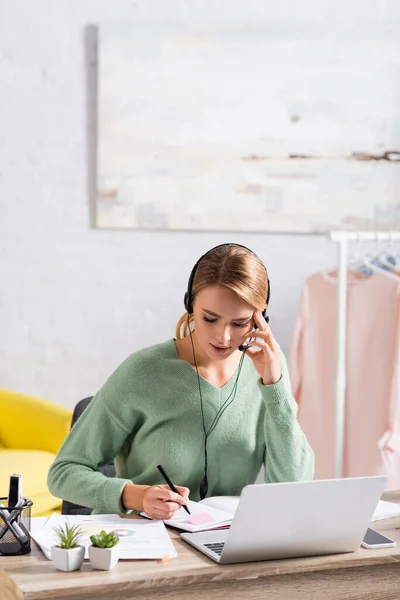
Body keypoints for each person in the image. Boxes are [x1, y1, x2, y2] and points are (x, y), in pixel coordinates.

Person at [48, 243, 314, 518]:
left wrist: (274, 386)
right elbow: (63, 472)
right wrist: (135, 496)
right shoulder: (143, 372)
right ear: (190, 305)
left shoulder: (268, 368)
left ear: (260, 319)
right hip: (143, 541)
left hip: (222, 545)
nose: (223, 337)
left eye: (239, 323)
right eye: (210, 319)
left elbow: (293, 485)